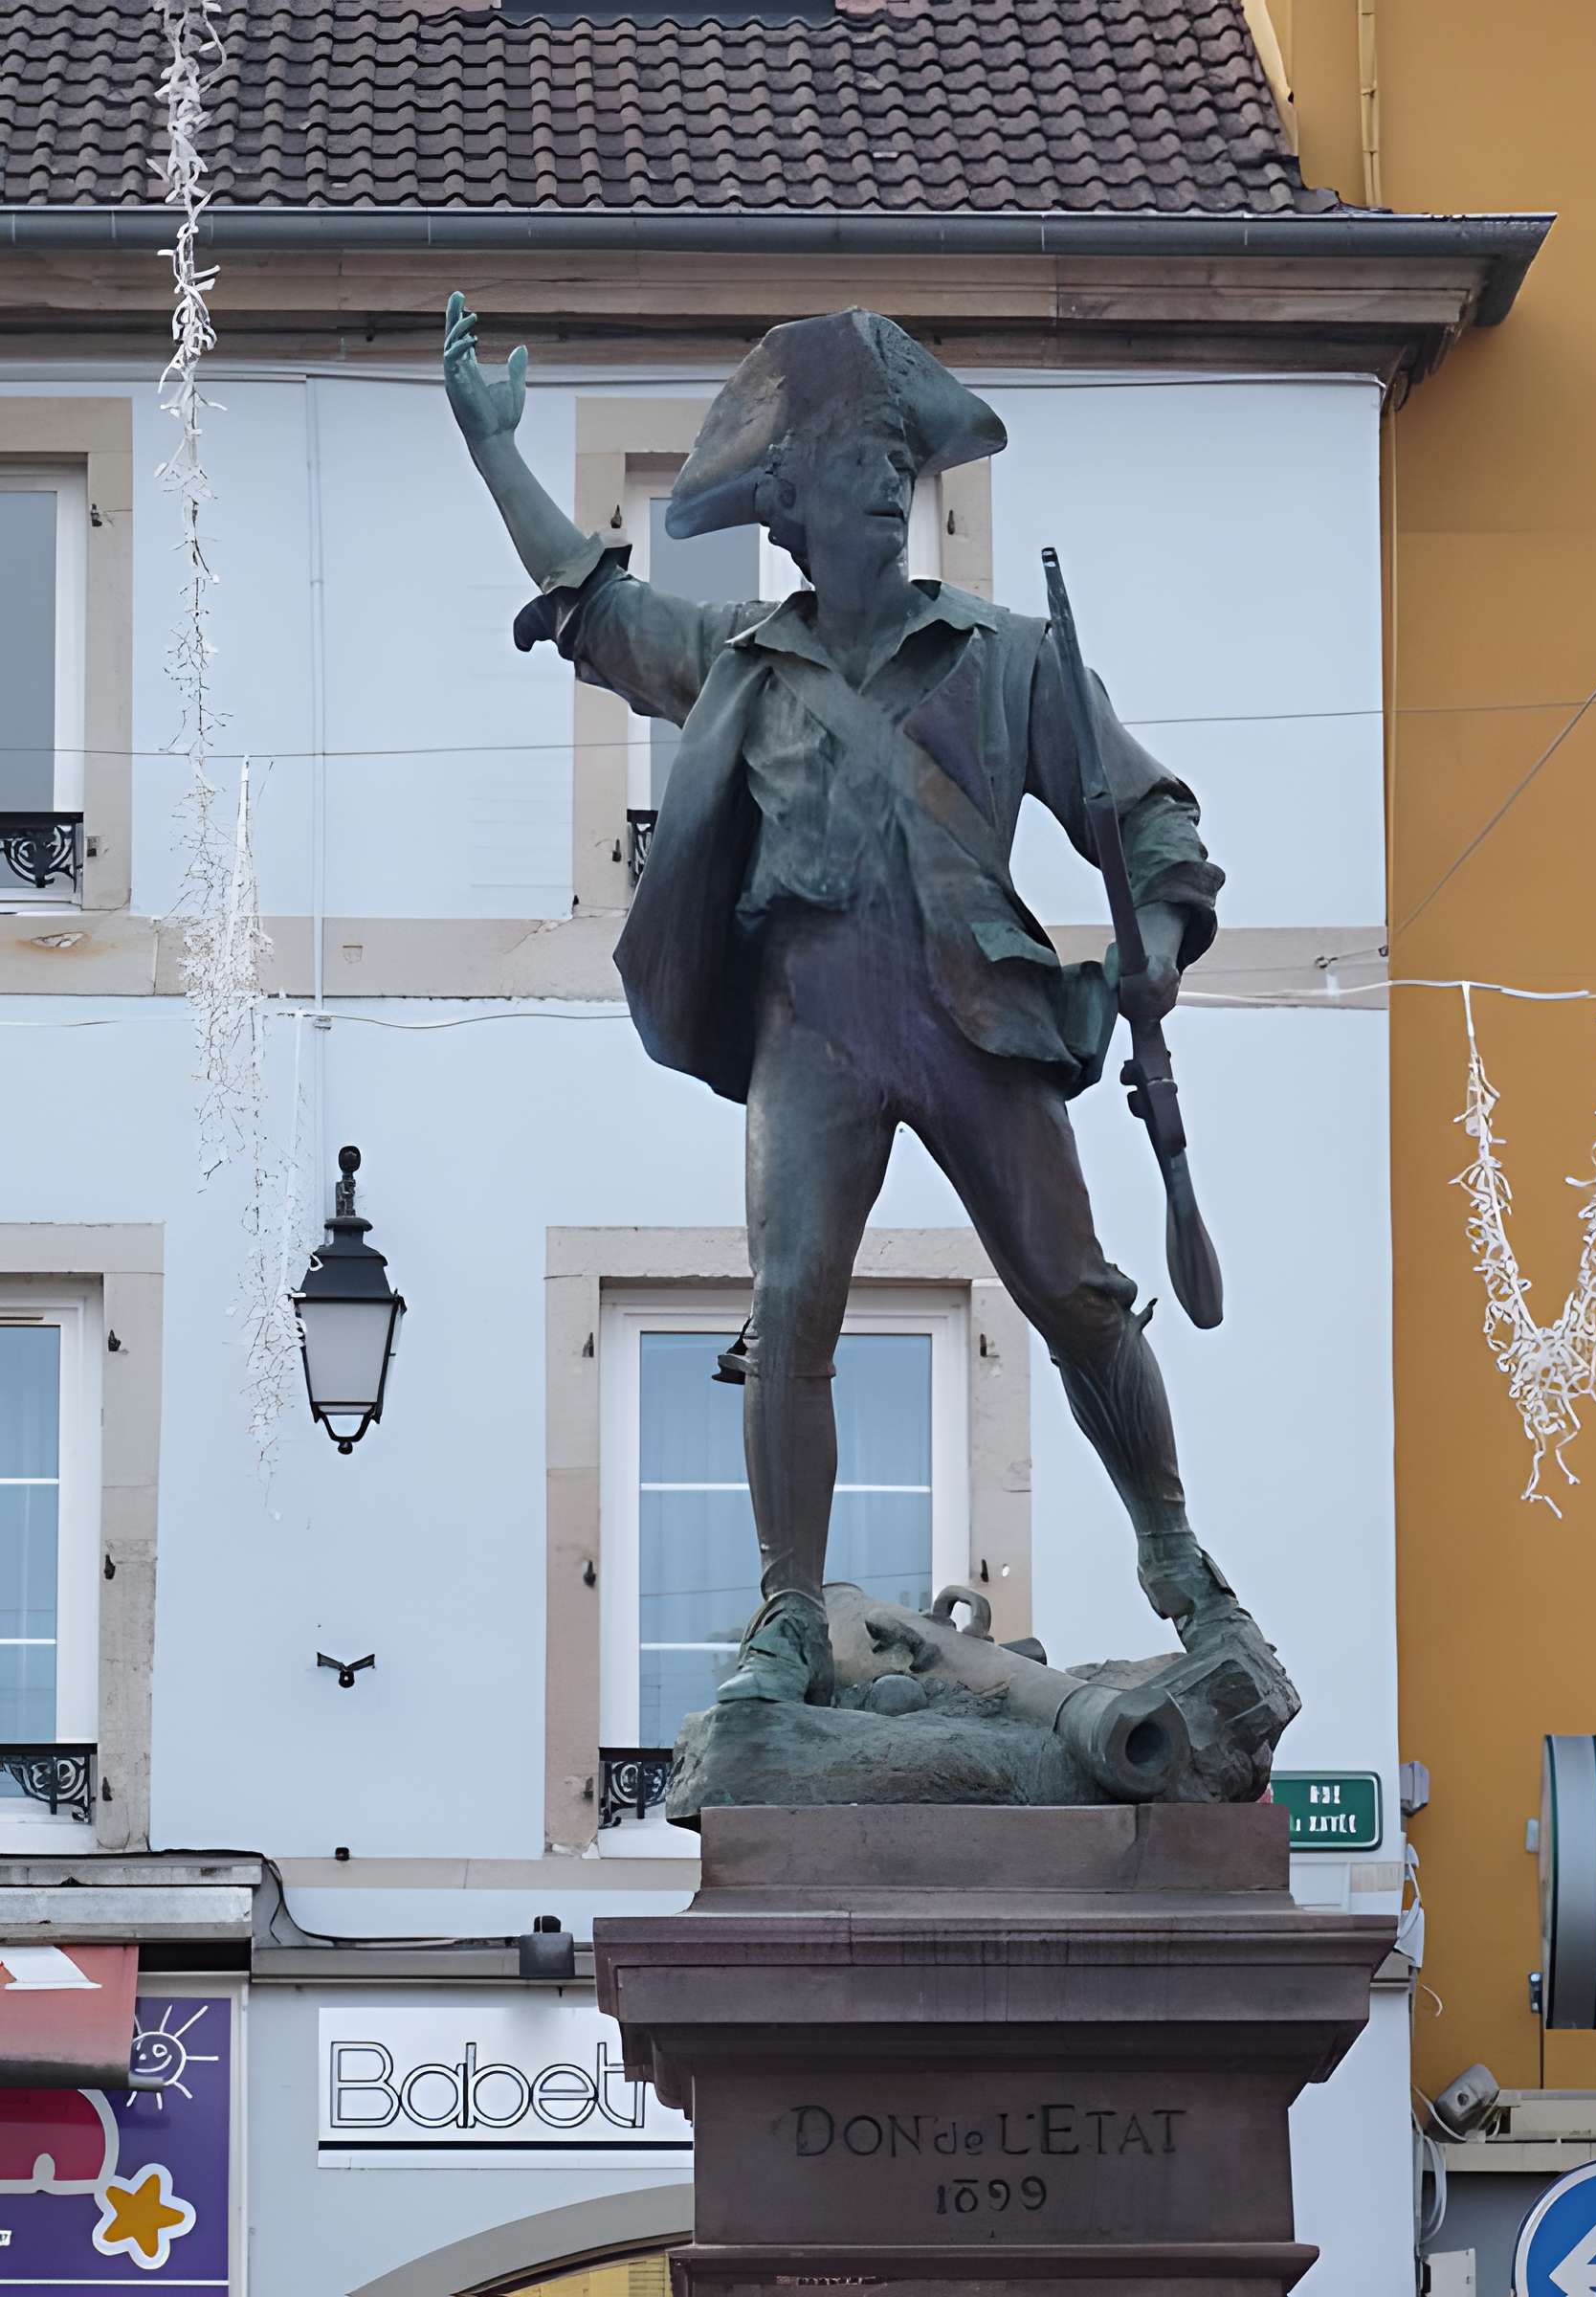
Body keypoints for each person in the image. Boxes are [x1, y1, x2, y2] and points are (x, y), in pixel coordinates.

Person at [445, 295, 1269, 1712]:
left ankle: (1177, 1557)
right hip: (813, 1016)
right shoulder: (740, 660)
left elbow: (1149, 819)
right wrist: (497, 455)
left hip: (979, 1011)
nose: (890, 474)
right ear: (792, 505)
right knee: (789, 1309)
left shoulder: (1008, 657)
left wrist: (1163, 935)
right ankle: (783, 1611)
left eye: (901, 453)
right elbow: (592, 600)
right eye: (854, 452)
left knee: (1076, 1293)